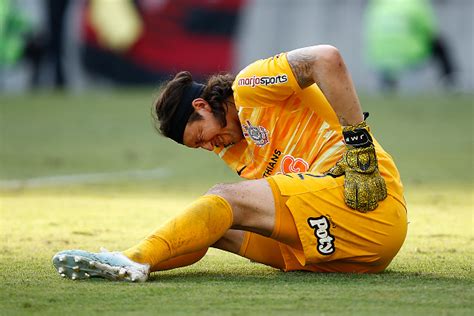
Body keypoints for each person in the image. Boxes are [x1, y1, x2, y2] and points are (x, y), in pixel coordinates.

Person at [53, 45, 407, 282]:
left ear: (202, 106)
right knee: (215, 225)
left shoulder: (250, 86)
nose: (209, 147)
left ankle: (134, 257)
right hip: (343, 253)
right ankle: (131, 265)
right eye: (200, 148)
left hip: (369, 203)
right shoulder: (233, 151)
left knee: (224, 197)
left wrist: (357, 140)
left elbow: (327, 59)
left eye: (202, 136)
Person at [364, 0, 456, 91]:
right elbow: (430, 32)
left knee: (389, 52)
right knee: (439, 42)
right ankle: (450, 81)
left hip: (379, 57)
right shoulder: (416, 4)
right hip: (407, 57)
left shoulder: (378, 3)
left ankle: (388, 83)